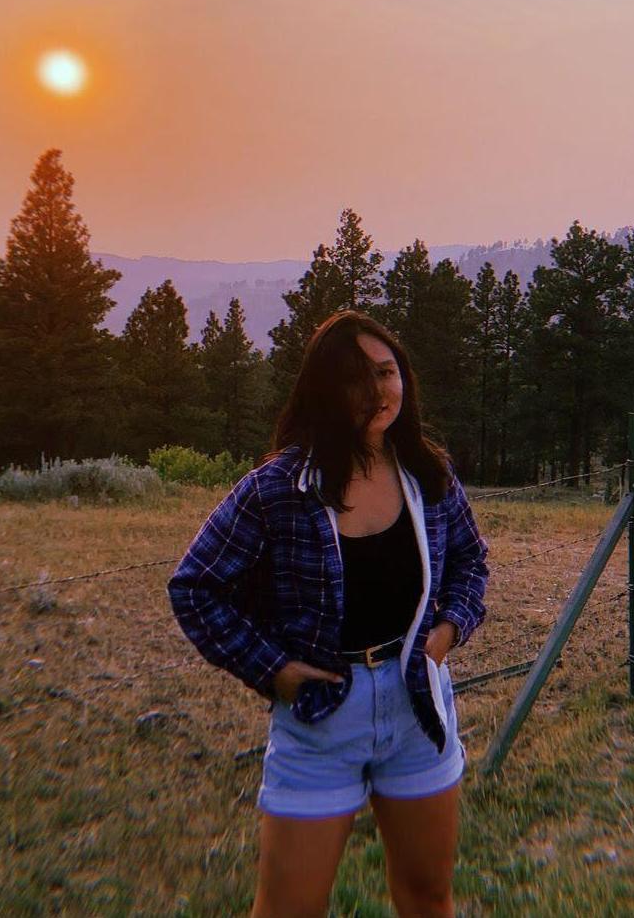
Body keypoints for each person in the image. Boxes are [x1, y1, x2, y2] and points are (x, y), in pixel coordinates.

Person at [167, 309, 490, 918]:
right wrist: (274, 671)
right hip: (319, 719)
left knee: (428, 897)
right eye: (355, 379)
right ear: (323, 390)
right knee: (286, 908)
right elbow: (195, 588)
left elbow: (471, 565)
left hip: (417, 708)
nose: (377, 391)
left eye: (387, 372)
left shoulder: (429, 473)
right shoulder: (276, 488)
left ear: (406, 379)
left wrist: (445, 634)